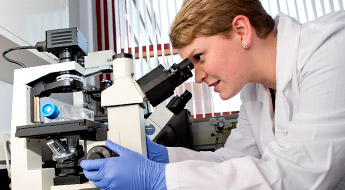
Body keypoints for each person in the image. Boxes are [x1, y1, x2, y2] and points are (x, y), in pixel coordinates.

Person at [80, 0, 345, 189]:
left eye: (199, 57)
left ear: (242, 31)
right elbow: (231, 160)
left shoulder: (331, 48)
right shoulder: (254, 90)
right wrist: (163, 158)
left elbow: (297, 177)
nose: (197, 77)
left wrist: (159, 180)